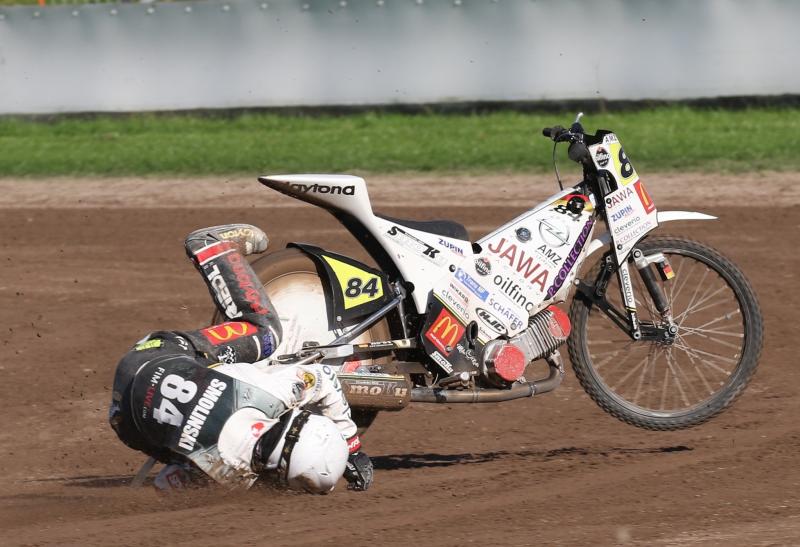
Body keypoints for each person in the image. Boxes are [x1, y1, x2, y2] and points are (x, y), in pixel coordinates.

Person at [108, 224, 373, 494]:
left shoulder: (270, 396)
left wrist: (352, 448)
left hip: (151, 355)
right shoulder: (229, 474)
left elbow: (324, 378)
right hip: (125, 422)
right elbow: (164, 484)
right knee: (265, 333)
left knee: (266, 335)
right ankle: (208, 245)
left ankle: (214, 248)